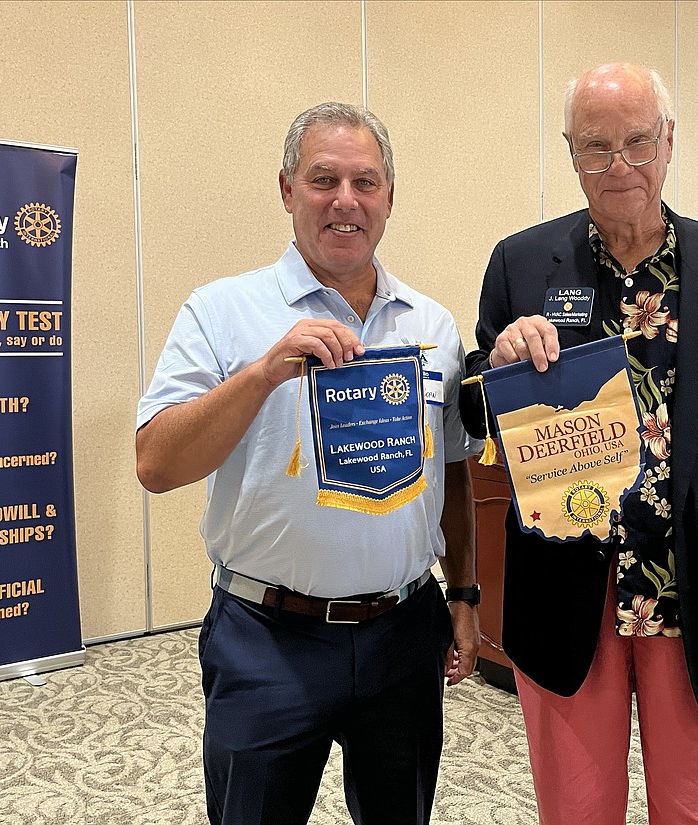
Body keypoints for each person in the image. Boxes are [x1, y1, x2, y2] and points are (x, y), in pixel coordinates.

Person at [461, 63, 698, 825]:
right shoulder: (520, 266)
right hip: (565, 577)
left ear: (669, 142)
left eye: (637, 143)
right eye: (595, 147)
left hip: (694, 581)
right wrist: (499, 363)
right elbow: (476, 416)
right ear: (570, 153)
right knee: (576, 805)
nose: (618, 167)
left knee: (695, 804)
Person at [136, 102, 482, 825]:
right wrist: (262, 374)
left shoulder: (432, 325)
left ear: (390, 197)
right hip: (267, 638)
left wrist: (465, 594)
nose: (345, 200)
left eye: (366, 181)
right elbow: (156, 461)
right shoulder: (223, 311)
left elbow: (450, 474)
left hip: (402, 632)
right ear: (287, 189)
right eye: (324, 178)